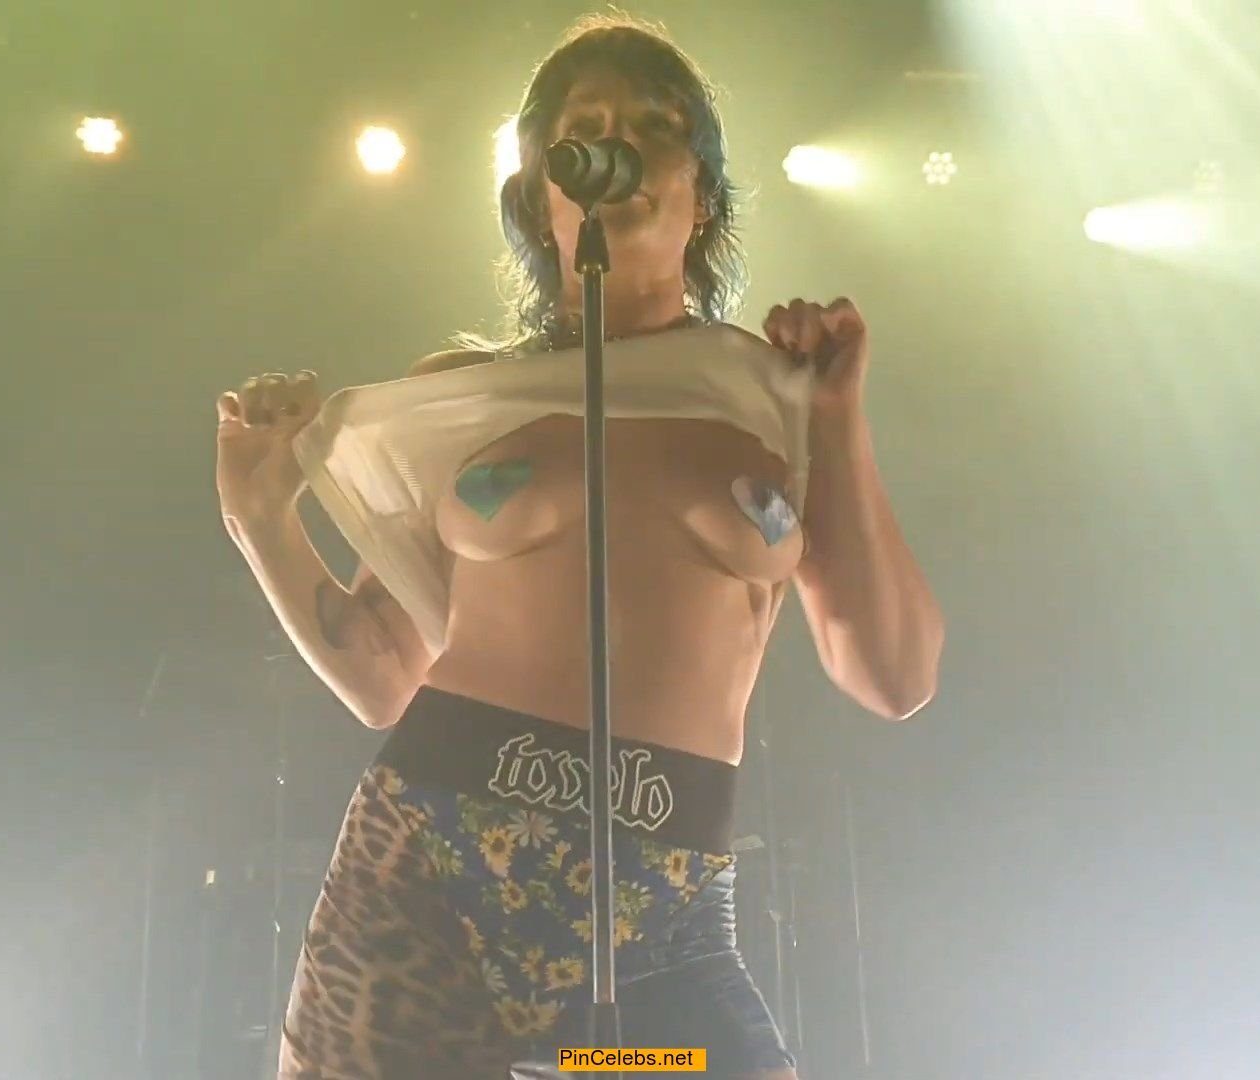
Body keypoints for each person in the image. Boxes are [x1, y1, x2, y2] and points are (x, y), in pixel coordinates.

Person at [216, 15, 943, 1079]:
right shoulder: (465, 398)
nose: (619, 143)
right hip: (427, 880)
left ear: (702, 194)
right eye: (586, 128)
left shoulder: (772, 394)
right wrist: (259, 521)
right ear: (537, 191)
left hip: (661, 917)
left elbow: (895, 675)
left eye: (656, 125)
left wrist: (839, 419)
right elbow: (379, 674)